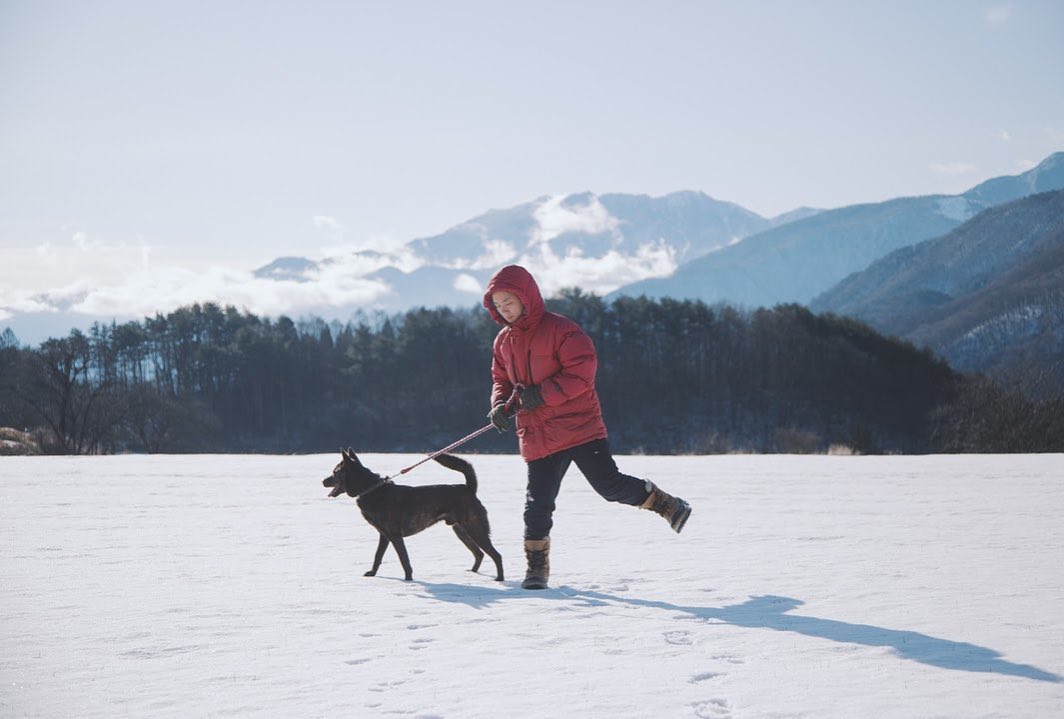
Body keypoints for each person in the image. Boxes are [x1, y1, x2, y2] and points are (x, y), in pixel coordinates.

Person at [483, 264, 692, 590]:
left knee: (609, 486)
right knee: (537, 502)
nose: (503, 309)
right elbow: (502, 380)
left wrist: (542, 394)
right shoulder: (503, 341)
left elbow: (582, 372)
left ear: (526, 297)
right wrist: (500, 405)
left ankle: (664, 502)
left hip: (578, 426)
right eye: (497, 305)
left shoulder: (562, 330)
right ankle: (536, 569)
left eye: (508, 301)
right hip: (538, 433)